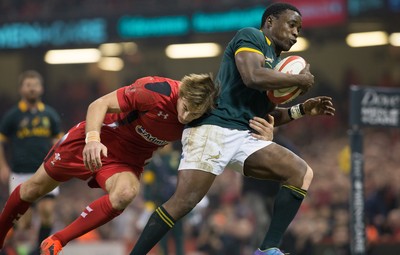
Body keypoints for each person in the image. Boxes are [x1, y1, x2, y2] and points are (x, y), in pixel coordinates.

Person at [130, 3, 336, 255]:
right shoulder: (251, 36)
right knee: (183, 202)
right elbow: (252, 76)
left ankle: (268, 249)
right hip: (213, 129)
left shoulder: (276, 67)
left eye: (299, 29)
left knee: (301, 173)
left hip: (244, 136)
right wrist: (299, 80)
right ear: (270, 22)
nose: (296, 33)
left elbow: (264, 117)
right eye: (292, 24)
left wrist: (303, 109)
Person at [0, 73, 273, 255]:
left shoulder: (206, 116)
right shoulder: (154, 91)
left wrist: (268, 132)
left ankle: (58, 240)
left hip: (127, 160)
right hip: (94, 140)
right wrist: (93, 139)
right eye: (186, 107)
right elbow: (99, 104)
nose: (187, 116)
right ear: (182, 94)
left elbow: (243, 127)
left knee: (125, 194)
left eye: (195, 114)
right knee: (32, 190)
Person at [0, 70, 63, 255]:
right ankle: (10, 247)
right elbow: (1, 141)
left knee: (47, 212)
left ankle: (37, 251)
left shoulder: (50, 115)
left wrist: (60, 165)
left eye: (35, 85)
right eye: (28, 85)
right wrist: (3, 166)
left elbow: (58, 143)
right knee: (23, 222)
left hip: (46, 171)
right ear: (21, 89)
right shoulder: (12, 116)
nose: (32, 89)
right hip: (20, 173)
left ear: (41, 88)